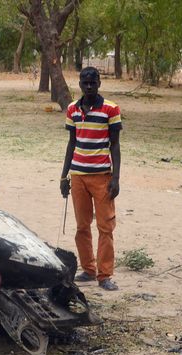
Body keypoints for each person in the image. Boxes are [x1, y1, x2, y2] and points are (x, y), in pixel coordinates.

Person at [60, 67, 122, 291]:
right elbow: (71, 143)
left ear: (99, 84)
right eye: (85, 83)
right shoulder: (72, 110)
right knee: (82, 226)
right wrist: (64, 175)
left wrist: (115, 177)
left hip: (102, 177)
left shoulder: (111, 109)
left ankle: (104, 275)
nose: (89, 86)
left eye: (93, 83)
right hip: (78, 176)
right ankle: (88, 269)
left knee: (106, 227)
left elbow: (114, 145)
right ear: (79, 84)